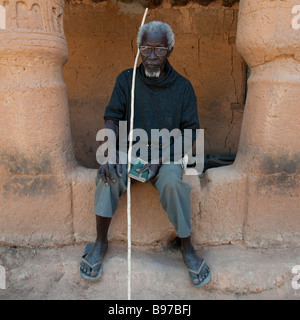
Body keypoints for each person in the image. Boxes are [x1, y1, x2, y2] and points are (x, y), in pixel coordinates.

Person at [80, 21, 211, 287]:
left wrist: (158, 161)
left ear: (169, 50)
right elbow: (112, 118)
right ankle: (100, 243)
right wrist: (111, 153)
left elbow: (190, 133)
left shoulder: (183, 87)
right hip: (132, 151)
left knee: (174, 184)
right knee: (109, 175)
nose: (151, 57)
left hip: (168, 153)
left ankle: (187, 248)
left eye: (159, 50)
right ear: (139, 49)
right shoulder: (126, 80)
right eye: (145, 49)